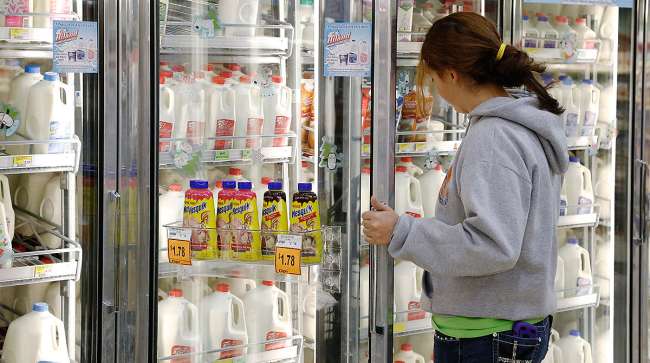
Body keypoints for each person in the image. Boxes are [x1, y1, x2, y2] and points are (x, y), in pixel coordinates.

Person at [362, 12, 568, 363]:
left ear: (451, 74)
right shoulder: (513, 126)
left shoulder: (494, 137)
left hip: (485, 335)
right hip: (500, 327)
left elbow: (493, 245)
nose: (437, 91)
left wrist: (402, 231)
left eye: (434, 80)